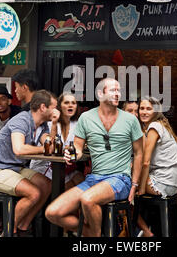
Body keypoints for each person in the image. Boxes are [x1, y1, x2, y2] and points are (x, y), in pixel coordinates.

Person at [45, 78, 144, 237]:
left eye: (119, 90)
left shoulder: (131, 120)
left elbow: (139, 153)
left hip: (120, 178)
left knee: (87, 199)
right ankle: (92, 234)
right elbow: (77, 148)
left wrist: (134, 184)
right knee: (53, 212)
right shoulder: (86, 118)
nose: (117, 94)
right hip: (94, 179)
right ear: (100, 94)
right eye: (113, 90)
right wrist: (71, 155)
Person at [0, 89, 58, 237]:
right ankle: (10, 232)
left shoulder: (42, 125)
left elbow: (50, 148)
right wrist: (42, 148)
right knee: (33, 193)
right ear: (43, 107)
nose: (56, 111)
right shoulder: (22, 120)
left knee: (46, 185)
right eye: (54, 107)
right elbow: (19, 148)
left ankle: (23, 226)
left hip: (14, 168)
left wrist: (54, 124)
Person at [136, 96, 177, 237]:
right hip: (171, 184)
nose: (144, 112)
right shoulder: (160, 126)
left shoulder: (154, 127)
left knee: (127, 188)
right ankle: (147, 229)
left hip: (163, 183)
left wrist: (142, 188)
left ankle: (144, 232)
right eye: (142, 108)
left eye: (148, 109)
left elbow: (145, 162)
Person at [30, 92, 85, 189]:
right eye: (66, 103)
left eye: (73, 103)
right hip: (45, 165)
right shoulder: (48, 122)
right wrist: (54, 123)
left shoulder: (77, 124)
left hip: (64, 167)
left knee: (81, 180)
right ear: (59, 106)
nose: (70, 105)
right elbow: (50, 145)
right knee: (68, 187)